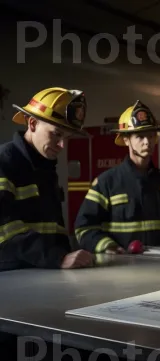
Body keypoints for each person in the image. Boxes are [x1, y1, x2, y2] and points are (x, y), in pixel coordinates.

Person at [74, 100, 160, 254]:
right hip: (122, 269)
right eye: (140, 136)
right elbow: (84, 228)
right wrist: (106, 246)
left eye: (152, 136)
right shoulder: (106, 182)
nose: (147, 142)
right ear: (126, 140)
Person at [0, 87, 95, 270]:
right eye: (57, 134)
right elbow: (4, 228)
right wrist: (58, 257)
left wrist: (68, 256)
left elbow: (55, 230)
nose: (62, 145)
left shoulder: (46, 169)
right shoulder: (4, 162)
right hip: (9, 279)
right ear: (33, 124)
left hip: (42, 273)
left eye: (67, 138)